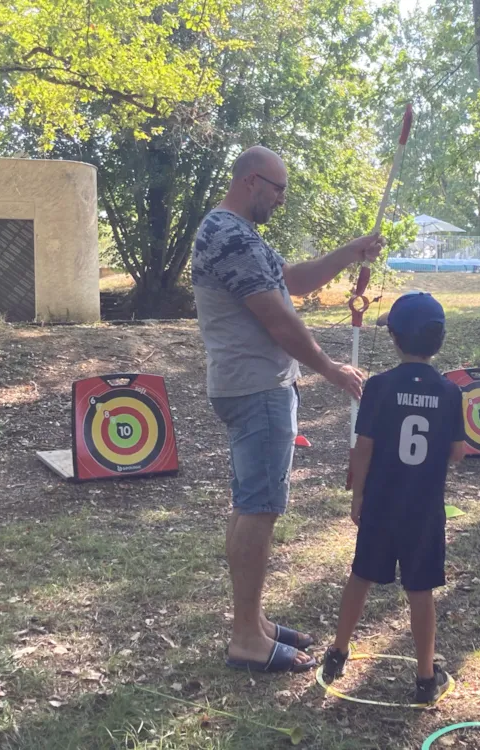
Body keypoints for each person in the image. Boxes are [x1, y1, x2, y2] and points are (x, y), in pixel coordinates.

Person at [192, 146, 385, 674]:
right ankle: (245, 639)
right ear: (252, 181)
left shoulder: (237, 234)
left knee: (249, 504)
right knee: (258, 509)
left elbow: (292, 282)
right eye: (278, 189)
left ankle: (251, 623)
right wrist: (332, 370)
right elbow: (279, 320)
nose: (281, 199)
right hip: (257, 390)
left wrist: (351, 251)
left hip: (250, 386)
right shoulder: (231, 235)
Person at [321, 291, 465, 704]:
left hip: (382, 504)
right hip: (424, 512)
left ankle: (337, 652)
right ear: (437, 340)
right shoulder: (451, 392)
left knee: (362, 574)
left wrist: (358, 496)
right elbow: (457, 452)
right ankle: (424, 677)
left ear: (396, 339)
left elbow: (363, 446)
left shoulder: (380, 386)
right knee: (421, 589)